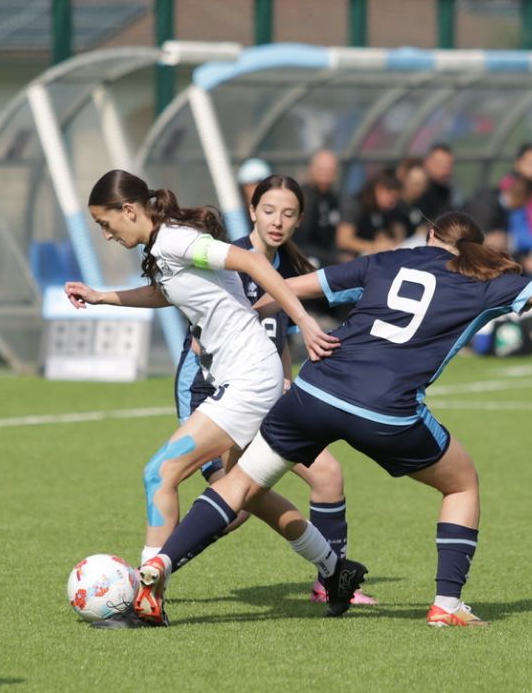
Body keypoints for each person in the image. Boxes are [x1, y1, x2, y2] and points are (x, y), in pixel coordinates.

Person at [131, 211, 532, 628]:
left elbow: (296, 286)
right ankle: (446, 604)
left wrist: (241, 315)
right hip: (384, 410)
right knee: (462, 483)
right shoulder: (486, 282)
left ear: (430, 235)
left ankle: (159, 567)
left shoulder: (388, 260)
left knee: (240, 484)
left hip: (317, 389)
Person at [61, 169, 352, 622]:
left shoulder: (176, 240)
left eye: (105, 223)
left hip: (248, 380)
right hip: (247, 377)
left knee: (160, 473)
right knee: (247, 494)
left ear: (129, 210)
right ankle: (336, 570)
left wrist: (306, 322)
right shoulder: (162, 246)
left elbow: (252, 262)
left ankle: (148, 597)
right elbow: (166, 293)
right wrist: (103, 297)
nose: (106, 234)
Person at [169, 174, 375, 607]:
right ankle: (152, 572)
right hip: (212, 392)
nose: (277, 221)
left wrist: (289, 386)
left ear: (299, 220)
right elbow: (201, 343)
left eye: (288, 214)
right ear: (251, 211)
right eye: (268, 211)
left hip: (262, 392)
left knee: (324, 475)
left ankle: (330, 583)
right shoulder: (228, 260)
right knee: (237, 504)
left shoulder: (291, 271)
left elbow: (277, 342)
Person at [337, 169, 414, 256]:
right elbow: (343, 241)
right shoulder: (355, 205)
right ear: (380, 190)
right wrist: (373, 246)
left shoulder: (381, 209)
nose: (393, 205)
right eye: (391, 200)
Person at [295, 148, 345, 265]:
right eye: (322, 170)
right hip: (306, 258)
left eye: (330, 171)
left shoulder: (332, 198)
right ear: (311, 169)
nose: (326, 176)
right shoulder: (302, 197)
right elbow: (300, 242)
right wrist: (334, 258)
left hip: (327, 257)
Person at [418, 144, 456, 217]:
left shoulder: (445, 193)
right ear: (426, 163)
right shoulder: (419, 193)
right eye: (441, 165)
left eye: (449, 166)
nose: (446, 171)